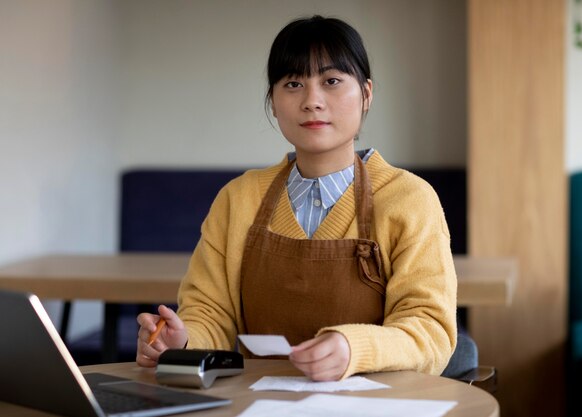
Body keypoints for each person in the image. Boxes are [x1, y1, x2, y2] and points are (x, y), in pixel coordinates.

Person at [136, 14, 457, 382]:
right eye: (293, 84)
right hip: (255, 401)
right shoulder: (238, 199)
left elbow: (430, 332)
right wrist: (183, 339)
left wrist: (354, 348)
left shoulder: (410, 199)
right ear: (273, 101)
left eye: (332, 81)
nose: (312, 101)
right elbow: (210, 313)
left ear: (367, 94)